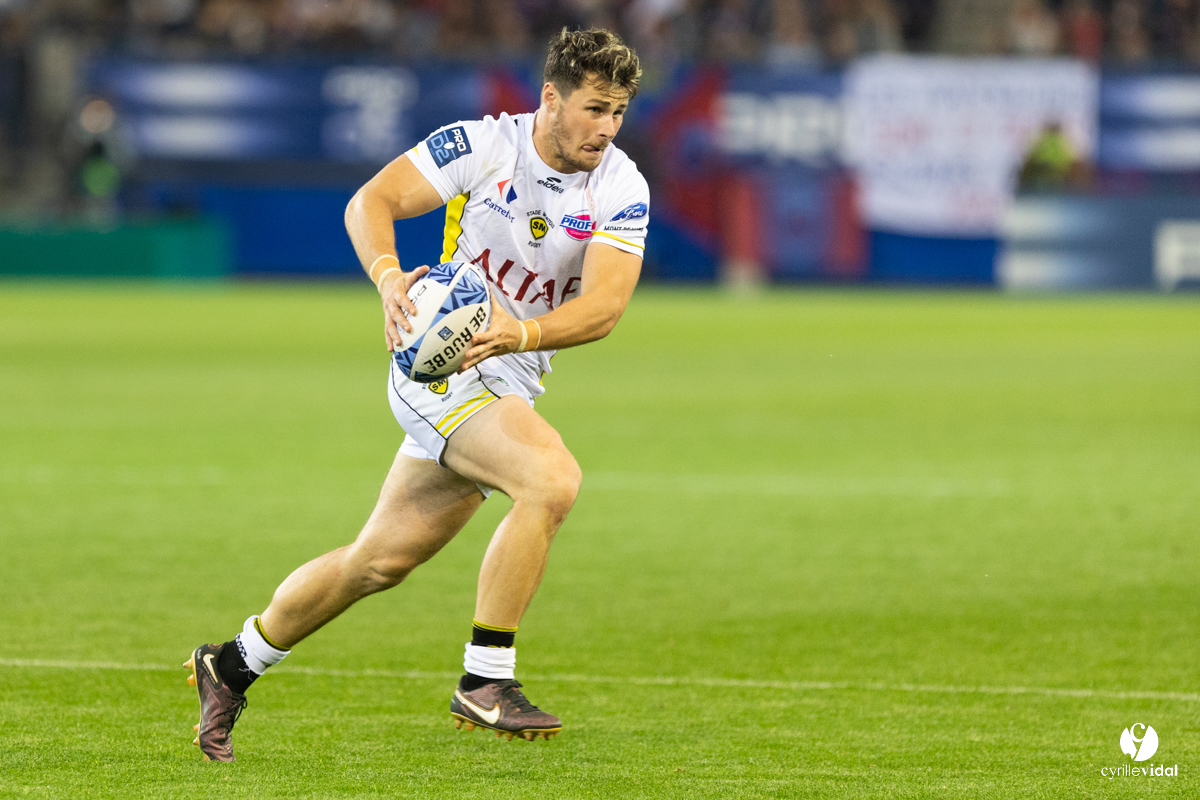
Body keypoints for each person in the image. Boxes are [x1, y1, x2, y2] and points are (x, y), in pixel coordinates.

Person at [183, 27, 648, 762]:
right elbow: (372, 201)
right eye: (594, 108)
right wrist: (388, 276)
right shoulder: (485, 145)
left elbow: (605, 308)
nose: (607, 128)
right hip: (440, 363)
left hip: (508, 371)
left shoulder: (620, 186)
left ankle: (231, 663)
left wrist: (519, 337)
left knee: (377, 561)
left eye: (618, 112)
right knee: (550, 480)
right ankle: (486, 680)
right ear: (551, 97)